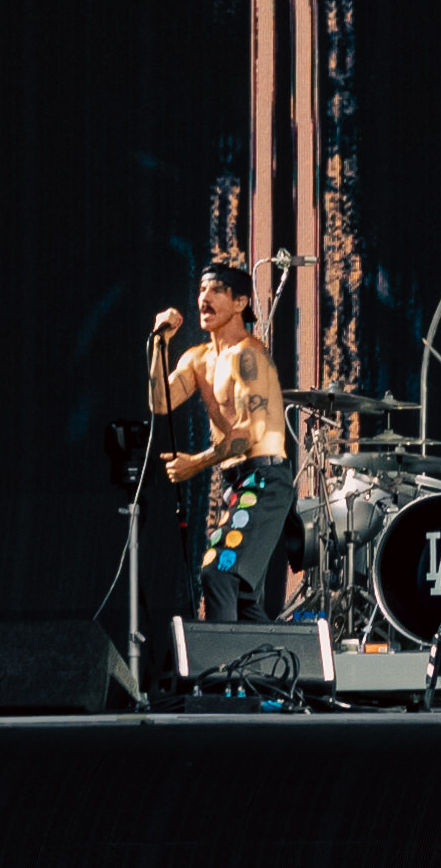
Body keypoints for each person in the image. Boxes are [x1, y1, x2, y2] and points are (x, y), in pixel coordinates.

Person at [150, 263, 292, 622]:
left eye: (216, 290)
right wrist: (159, 344)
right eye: (201, 290)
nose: (204, 298)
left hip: (264, 481)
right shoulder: (198, 359)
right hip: (237, 484)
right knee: (242, 598)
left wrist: (194, 463)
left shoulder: (249, 356)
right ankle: (266, 658)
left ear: (240, 302)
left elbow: (248, 434)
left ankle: (225, 660)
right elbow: (159, 402)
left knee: (219, 571)